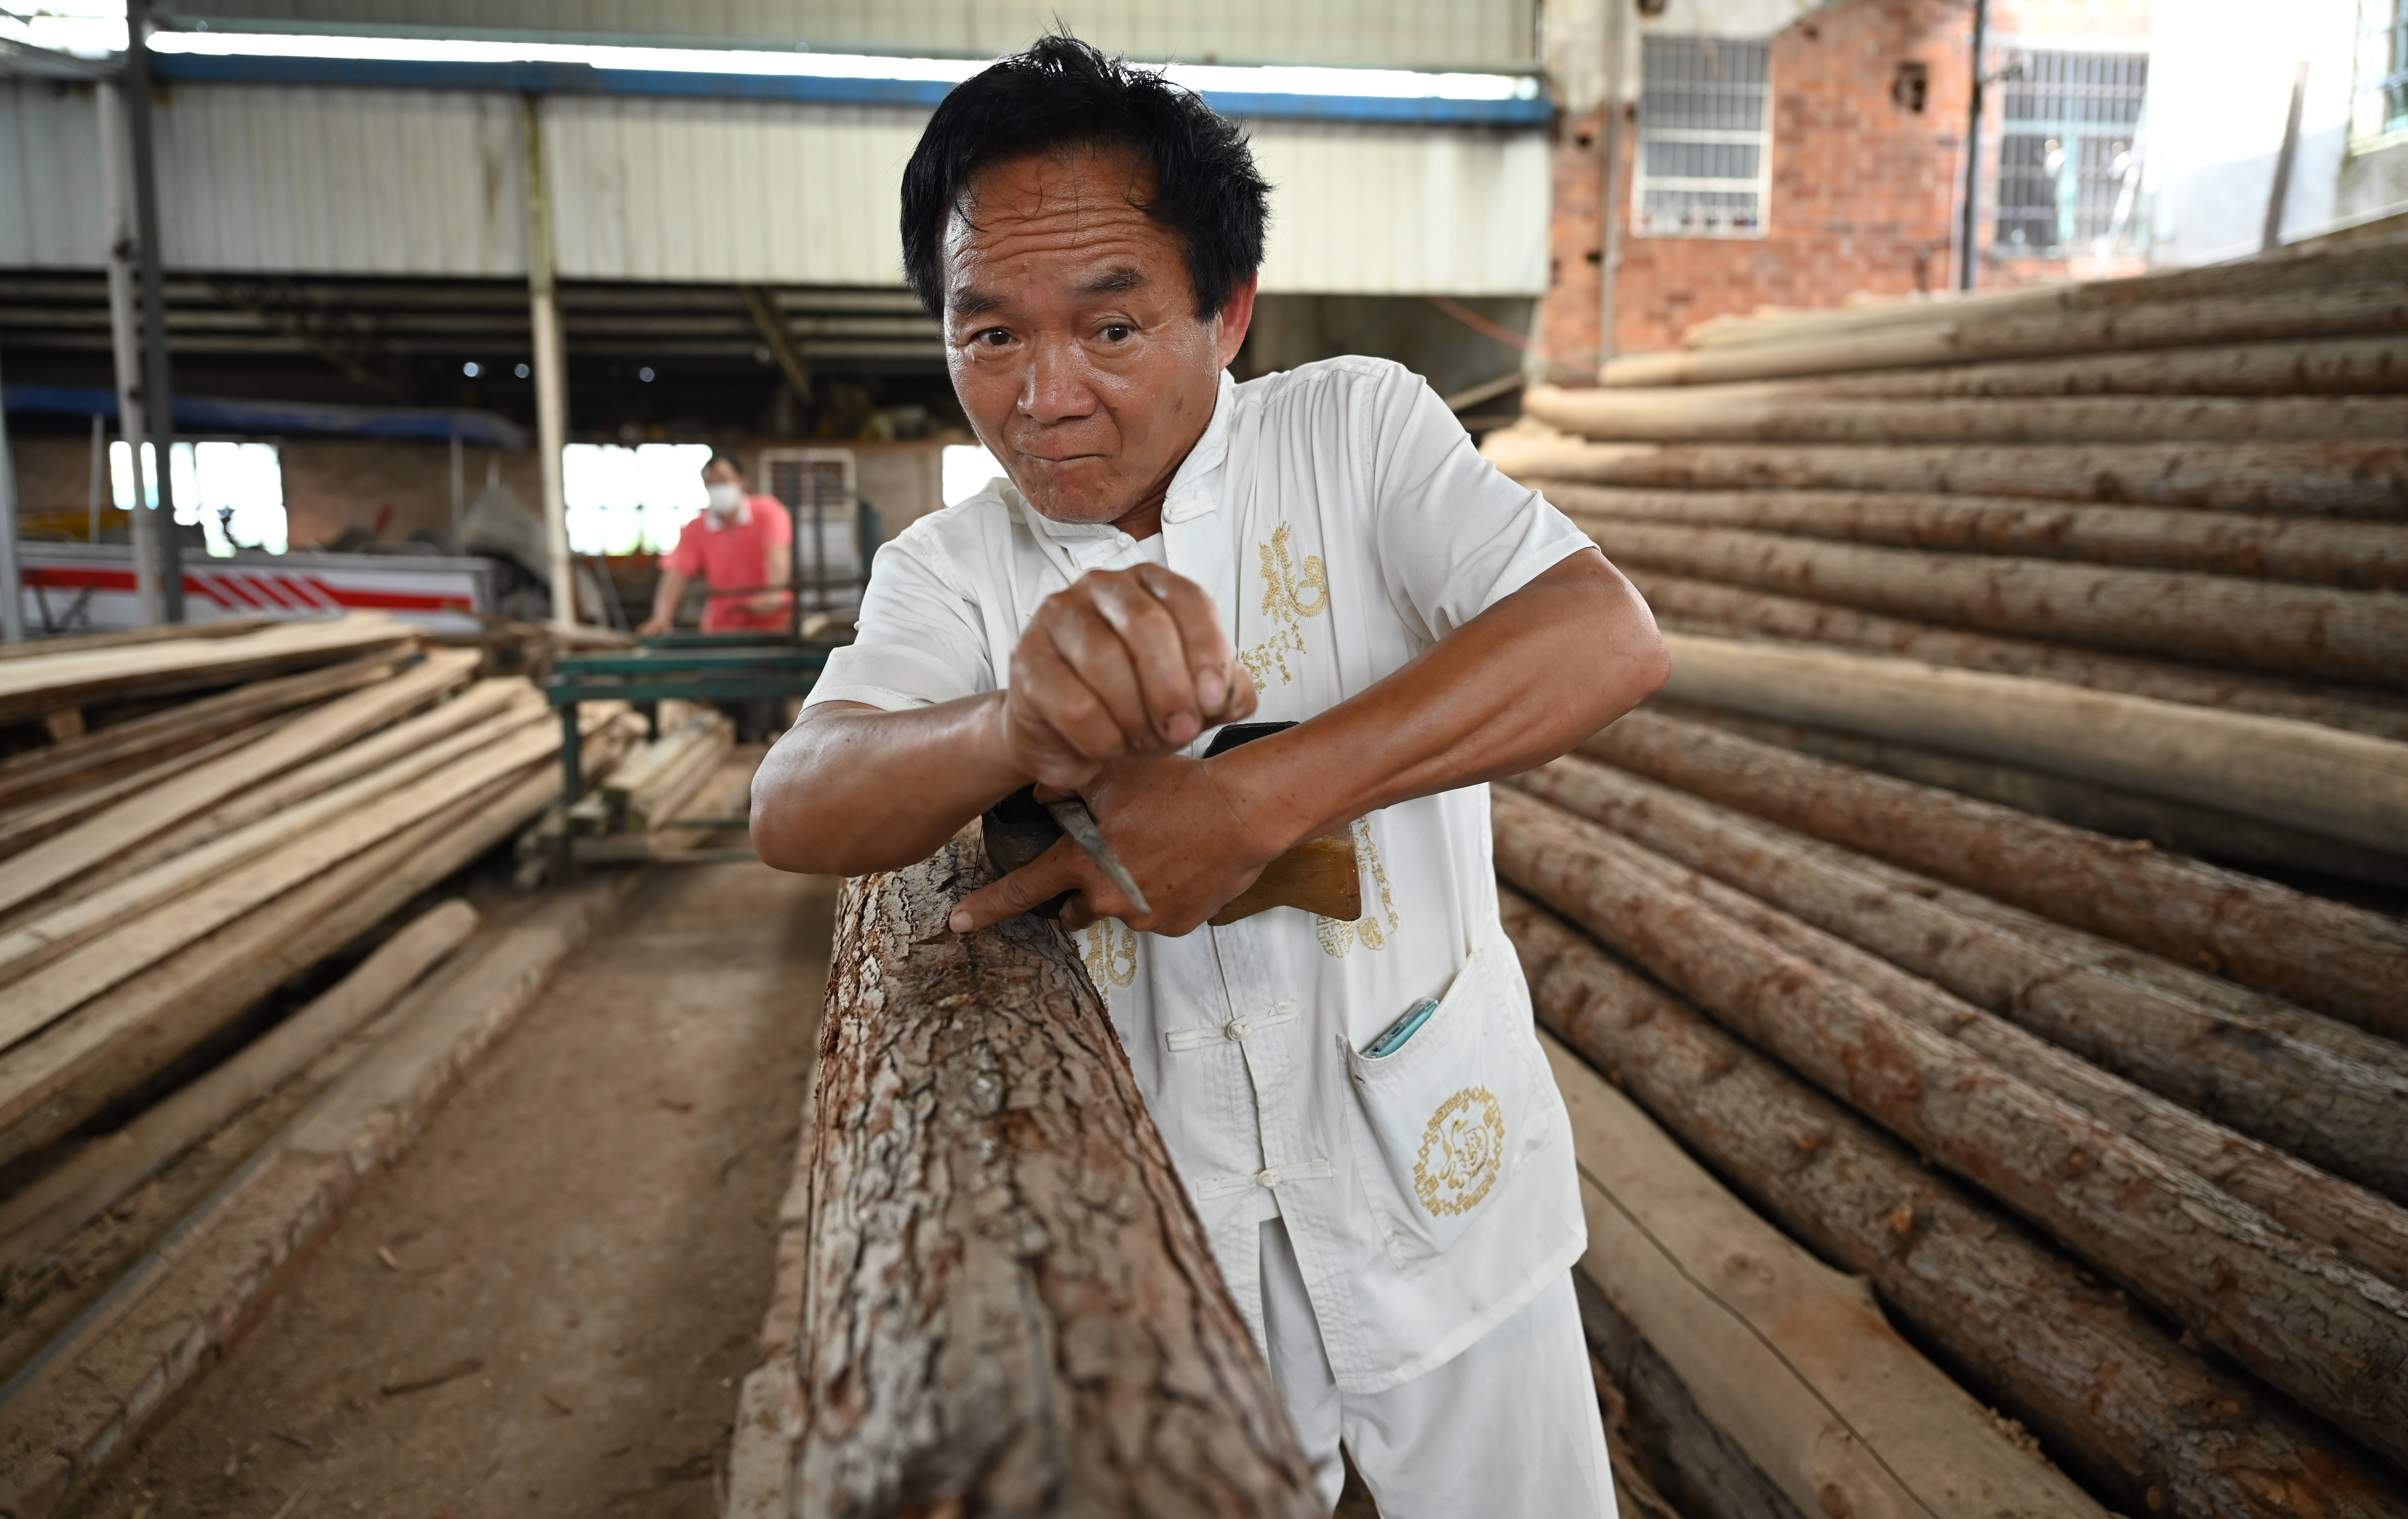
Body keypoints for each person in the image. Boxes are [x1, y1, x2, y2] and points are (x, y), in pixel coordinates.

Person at [751, 36, 1667, 1518]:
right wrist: (1012, 730)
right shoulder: (951, 568)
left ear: (1222, 310)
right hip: (1167, 1241)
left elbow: (1602, 639)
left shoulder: (1354, 432)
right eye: (987, 338)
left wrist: (1253, 797)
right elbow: (794, 804)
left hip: (1443, 1184)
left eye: (1108, 331)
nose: (1043, 397)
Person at [637, 453, 793, 635]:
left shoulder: (768, 512)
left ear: (742, 481)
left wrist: (774, 593)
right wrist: (662, 617)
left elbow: (778, 554)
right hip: (723, 624)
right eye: (711, 484)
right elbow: (676, 573)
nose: (718, 489)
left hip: (773, 623)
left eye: (724, 481)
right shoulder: (696, 529)